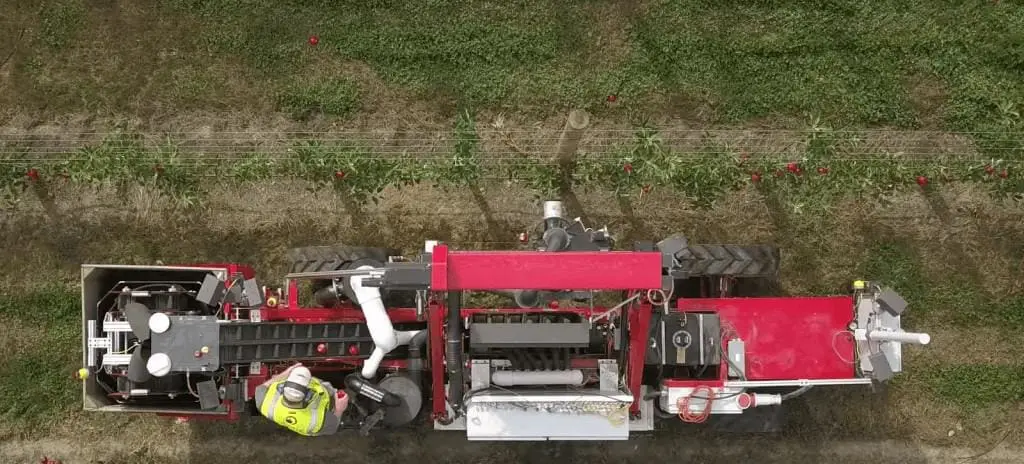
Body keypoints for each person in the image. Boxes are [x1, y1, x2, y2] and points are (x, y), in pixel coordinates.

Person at [254, 363, 349, 436]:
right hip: (326, 410)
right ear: (308, 395)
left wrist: (286, 372)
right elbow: (332, 428)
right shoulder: (318, 422)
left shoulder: (264, 403)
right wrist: (339, 409)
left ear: (283, 387)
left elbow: (263, 386)